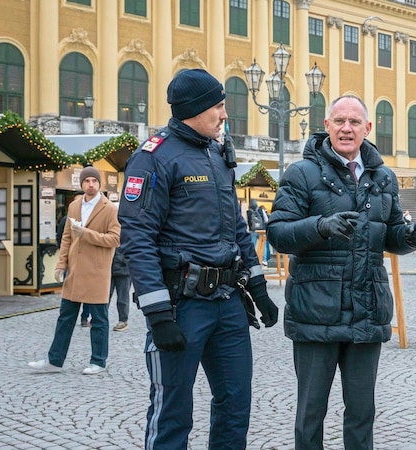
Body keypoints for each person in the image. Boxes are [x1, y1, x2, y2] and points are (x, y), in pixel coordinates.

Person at [117, 69, 279, 449]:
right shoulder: (152, 157)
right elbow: (137, 239)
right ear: (195, 108)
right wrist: (158, 316)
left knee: (235, 405)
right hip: (182, 307)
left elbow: (237, 228)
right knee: (173, 412)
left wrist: (259, 288)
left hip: (228, 304)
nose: (225, 114)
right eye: (219, 106)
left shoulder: (217, 153)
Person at [266, 94, 416, 450]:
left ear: (367, 129)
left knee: (361, 413)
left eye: (355, 122)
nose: (346, 128)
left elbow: (389, 233)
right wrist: (321, 226)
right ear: (326, 126)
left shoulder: (383, 177)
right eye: (339, 121)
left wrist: (409, 237)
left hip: (366, 310)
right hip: (316, 312)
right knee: (311, 414)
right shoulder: (302, 173)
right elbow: (278, 233)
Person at [29, 166, 121, 375]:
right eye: (87, 181)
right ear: (81, 184)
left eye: (94, 181)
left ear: (100, 184)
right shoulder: (74, 206)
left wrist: (86, 233)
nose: (91, 184)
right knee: (65, 317)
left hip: (97, 271)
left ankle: (98, 361)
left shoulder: (109, 209)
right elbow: (67, 238)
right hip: (75, 270)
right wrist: (61, 264)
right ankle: (54, 360)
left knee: (99, 319)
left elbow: (115, 239)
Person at [109, 245, 131, 332]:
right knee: (105, 296)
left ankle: (123, 321)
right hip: (109, 269)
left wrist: (122, 260)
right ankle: (99, 318)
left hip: (124, 270)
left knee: (123, 298)